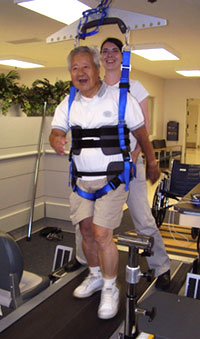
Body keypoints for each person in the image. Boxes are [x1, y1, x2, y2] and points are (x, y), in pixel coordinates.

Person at [49, 45, 160, 319]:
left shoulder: (120, 98)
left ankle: (111, 287)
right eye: (75, 68)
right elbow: (55, 130)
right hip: (81, 181)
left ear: (97, 69)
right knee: (86, 232)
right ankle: (96, 275)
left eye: (86, 67)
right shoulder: (69, 102)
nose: (80, 73)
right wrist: (56, 140)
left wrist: (152, 162)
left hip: (112, 179)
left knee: (101, 234)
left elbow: (142, 133)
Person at [66, 38, 171, 291]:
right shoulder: (90, 88)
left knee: (143, 218)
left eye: (115, 51)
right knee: (86, 220)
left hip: (127, 165)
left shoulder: (135, 87)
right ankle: (85, 260)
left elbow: (141, 129)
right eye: (105, 52)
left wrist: (135, 156)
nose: (110, 55)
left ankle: (161, 266)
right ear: (99, 58)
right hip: (94, 169)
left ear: (123, 57)